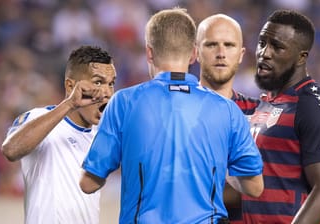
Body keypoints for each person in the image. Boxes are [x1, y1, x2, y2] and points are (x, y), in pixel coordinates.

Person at [79, 7, 264, 223]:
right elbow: (255, 187)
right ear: (194, 54)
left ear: (149, 52)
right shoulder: (228, 109)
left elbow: (88, 183)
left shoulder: (123, 102)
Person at [1, 45, 116, 224]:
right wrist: (69, 104)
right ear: (70, 86)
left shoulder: (104, 134)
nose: (107, 92)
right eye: (98, 82)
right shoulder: (38, 118)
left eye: (111, 83)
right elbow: (11, 150)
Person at [242, 9, 320, 223]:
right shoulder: (266, 103)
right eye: (262, 42)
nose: (265, 52)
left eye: (277, 47)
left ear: (301, 57)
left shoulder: (311, 104)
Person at [196, 14, 259, 224]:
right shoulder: (171, 111)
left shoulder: (260, 114)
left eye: (229, 45)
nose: (221, 53)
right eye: (212, 44)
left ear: (241, 54)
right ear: (196, 52)